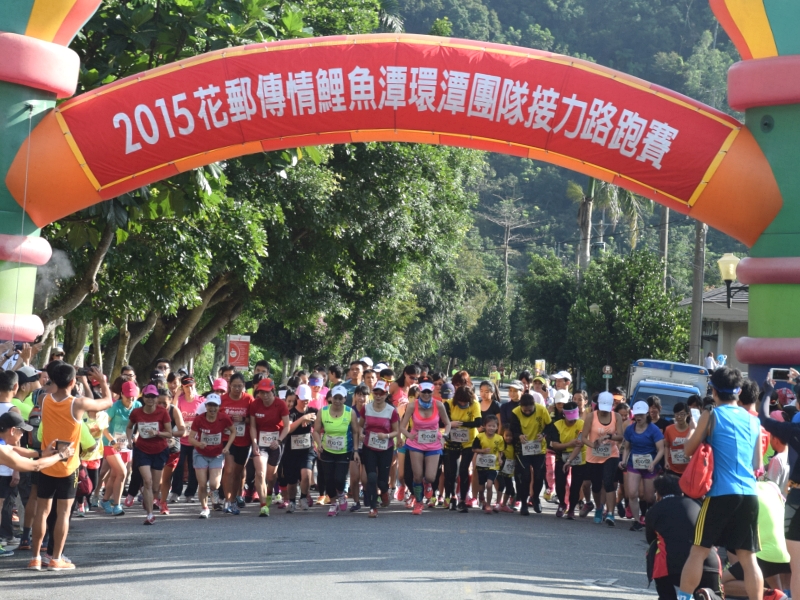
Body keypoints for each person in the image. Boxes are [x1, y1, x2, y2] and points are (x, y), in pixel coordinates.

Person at [677, 366, 763, 600]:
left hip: (721, 493)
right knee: (749, 558)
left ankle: (684, 598)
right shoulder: (753, 421)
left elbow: (687, 450)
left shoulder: (711, 414)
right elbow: (757, 463)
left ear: (713, 390)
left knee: (698, 551)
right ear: (739, 391)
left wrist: (695, 428)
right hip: (750, 494)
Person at [28, 363, 112, 571]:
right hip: (68, 465)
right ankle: (56, 558)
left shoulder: (43, 399)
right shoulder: (78, 403)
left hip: (47, 462)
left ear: (53, 380)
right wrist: (102, 381)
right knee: (63, 513)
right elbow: (107, 402)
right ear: (73, 382)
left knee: (42, 512)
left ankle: (36, 558)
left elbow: (48, 387)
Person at [0, 412, 76, 559]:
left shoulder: (3, 444)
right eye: (21, 431)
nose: (22, 435)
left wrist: (41, 453)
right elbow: (34, 467)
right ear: (12, 430)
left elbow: (14, 450)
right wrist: (60, 456)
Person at [646, 475, 723, 600]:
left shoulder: (654, 510)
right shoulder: (698, 504)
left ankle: (667, 596)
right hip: (708, 562)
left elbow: (650, 540)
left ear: (658, 494)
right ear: (681, 492)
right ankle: (709, 595)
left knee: (655, 548)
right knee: (716, 593)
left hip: (673, 567)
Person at [758, 378, 800, 599]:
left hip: (797, 499)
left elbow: (764, 418)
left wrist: (768, 393)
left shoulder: (795, 430)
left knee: (798, 565)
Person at [722, 480, 792, 600]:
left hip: (767, 554)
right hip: (788, 552)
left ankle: (772, 595)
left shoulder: (738, 492)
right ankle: (780, 595)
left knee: (721, 583)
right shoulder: (771, 487)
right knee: (764, 562)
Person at [400, 381, 450, 515]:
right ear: (419, 392)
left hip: (433, 444)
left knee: (431, 477)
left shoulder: (438, 405)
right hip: (416, 444)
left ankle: (427, 484)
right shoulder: (412, 406)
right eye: (424, 392)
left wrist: (444, 436)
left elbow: (448, 423)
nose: (426, 395)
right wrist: (408, 436)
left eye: (429, 392)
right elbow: (402, 425)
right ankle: (418, 502)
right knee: (417, 477)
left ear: (433, 392)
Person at [126, 384, 173, 525]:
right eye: (148, 396)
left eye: (153, 396)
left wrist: (158, 433)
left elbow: (169, 433)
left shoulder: (162, 412)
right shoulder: (136, 412)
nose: (150, 399)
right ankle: (150, 514)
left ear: (156, 397)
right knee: (147, 480)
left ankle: (148, 499)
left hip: (159, 450)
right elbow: (129, 427)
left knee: (155, 487)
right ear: (143, 397)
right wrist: (130, 440)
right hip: (142, 449)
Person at [312, 386, 360, 516]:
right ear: (331, 398)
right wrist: (318, 443)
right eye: (335, 398)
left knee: (339, 479)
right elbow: (316, 431)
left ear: (345, 399)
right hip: (327, 450)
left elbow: (356, 432)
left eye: (340, 398)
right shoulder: (323, 411)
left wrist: (355, 450)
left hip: (344, 451)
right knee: (328, 479)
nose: (337, 401)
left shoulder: (350, 412)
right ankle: (333, 504)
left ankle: (341, 494)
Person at [581, 391, 624, 524]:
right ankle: (599, 508)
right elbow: (583, 437)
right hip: (594, 455)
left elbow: (621, 436)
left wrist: (609, 436)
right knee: (596, 485)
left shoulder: (616, 416)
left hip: (611, 454)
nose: (604, 412)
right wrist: (593, 445)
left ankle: (610, 513)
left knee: (608, 481)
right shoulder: (590, 417)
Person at [622, 401, 665, 531]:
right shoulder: (630, 429)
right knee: (632, 494)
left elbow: (661, 449)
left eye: (641, 414)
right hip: (634, 464)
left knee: (649, 497)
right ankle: (637, 521)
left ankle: (651, 517)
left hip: (649, 466)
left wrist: (653, 463)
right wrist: (623, 460)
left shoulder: (654, 430)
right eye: (636, 414)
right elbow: (627, 447)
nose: (639, 417)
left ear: (647, 414)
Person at [249, 378, 290, 517]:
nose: (264, 395)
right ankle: (263, 506)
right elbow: (253, 426)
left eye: (267, 392)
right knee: (260, 473)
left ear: (272, 391)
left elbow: (287, 426)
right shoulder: (255, 405)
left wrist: (278, 441)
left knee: (271, 477)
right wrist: (254, 442)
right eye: (261, 392)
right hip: (260, 443)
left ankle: (270, 493)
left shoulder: (280, 404)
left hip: (275, 444)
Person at [189, 393, 234, 518]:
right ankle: (204, 508)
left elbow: (233, 431)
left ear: (219, 407)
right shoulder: (199, 419)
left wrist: (227, 446)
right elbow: (190, 438)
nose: (212, 408)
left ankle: (213, 492)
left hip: (217, 454)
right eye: (210, 405)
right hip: (200, 453)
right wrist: (199, 443)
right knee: (202, 483)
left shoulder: (223, 418)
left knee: (214, 484)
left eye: (215, 406)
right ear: (206, 406)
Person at [360, 380, 400, 518]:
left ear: (386, 394)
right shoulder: (366, 408)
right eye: (375, 392)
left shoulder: (391, 411)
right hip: (369, 447)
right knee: (371, 477)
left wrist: (386, 435)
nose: (378, 396)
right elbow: (360, 425)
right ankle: (372, 507)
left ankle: (384, 491)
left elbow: (396, 431)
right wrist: (360, 434)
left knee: (382, 481)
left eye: (381, 393)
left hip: (386, 448)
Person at [101, 380, 140, 515]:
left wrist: (136, 434)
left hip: (126, 445)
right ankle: (117, 505)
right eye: (128, 396)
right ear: (122, 394)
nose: (131, 398)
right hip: (111, 444)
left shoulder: (138, 405)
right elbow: (103, 426)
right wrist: (112, 441)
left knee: (115, 475)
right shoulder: (115, 407)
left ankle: (105, 500)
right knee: (122, 473)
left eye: (133, 395)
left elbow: (140, 423)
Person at [509, 392, 551, 515]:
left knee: (538, 476)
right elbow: (513, 430)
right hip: (523, 448)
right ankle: (523, 502)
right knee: (525, 476)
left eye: (530, 410)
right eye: (525, 410)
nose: (527, 412)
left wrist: (543, 434)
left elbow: (549, 427)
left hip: (539, 448)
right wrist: (519, 436)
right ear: (521, 406)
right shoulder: (515, 412)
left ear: (534, 405)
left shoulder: (542, 410)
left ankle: (536, 497)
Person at [219, 373, 253, 514]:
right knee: (229, 469)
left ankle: (233, 499)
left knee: (238, 473)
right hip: (227, 440)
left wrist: (243, 418)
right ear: (229, 386)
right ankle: (226, 500)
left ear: (244, 386)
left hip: (243, 440)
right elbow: (216, 416)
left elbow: (254, 420)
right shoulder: (222, 399)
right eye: (234, 386)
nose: (237, 389)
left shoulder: (249, 399)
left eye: (240, 386)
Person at [444, 385, 481, 512]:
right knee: (452, 470)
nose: (462, 404)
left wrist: (461, 424)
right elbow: (441, 421)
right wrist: (450, 424)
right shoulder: (449, 404)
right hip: (452, 441)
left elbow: (478, 422)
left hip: (469, 441)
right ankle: (452, 497)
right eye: (460, 402)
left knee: (464, 469)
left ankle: (463, 499)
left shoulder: (475, 404)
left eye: (465, 402)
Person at [169, 375, 204, 503]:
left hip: (195, 440)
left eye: (191, 385)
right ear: (182, 387)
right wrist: (177, 396)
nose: (189, 389)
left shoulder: (201, 400)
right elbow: (172, 413)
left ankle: (190, 493)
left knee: (193, 467)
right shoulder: (179, 400)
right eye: (186, 386)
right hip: (181, 440)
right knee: (177, 466)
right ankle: (175, 492)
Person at [551, 401, 588, 520]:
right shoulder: (557, 425)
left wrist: (571, 458)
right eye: (570, 418)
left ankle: (572, 508)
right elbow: (555, 445)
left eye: (574, 418)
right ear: (563, 415)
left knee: (576, 485)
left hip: (579, 456)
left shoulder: (582, 424)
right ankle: (562, 503)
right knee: (560, 482)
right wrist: (569, 444)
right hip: (562, 455)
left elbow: (580, 443)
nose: (573, 421)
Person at [283, 387, 316, 512]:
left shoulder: (313, 411)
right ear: (297, 398)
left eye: (307, 399)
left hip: (307, 450)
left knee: (306, 474)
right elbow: (288, 428)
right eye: (302, 399)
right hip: (291, 452)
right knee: (291, 481)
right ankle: (291, 501)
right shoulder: (290, 413)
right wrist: (302, 419)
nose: (305, 402)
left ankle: (303, 497)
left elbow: (319, 426)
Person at [471, 414, 503, 514]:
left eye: (494, 426)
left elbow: (500, 450)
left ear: (497, 427)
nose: (491, 428)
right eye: (489, 425)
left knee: (489, 485)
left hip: (494, 465)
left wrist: (500, 458)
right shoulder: (480, 437)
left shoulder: (499, 438)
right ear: (485, 426)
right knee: (481, 486)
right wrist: (482, 450)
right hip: (481, 464)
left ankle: (488, 504)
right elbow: (474, 449)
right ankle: (481, 496)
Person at [664, 402, 694, 477]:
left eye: (682, 414)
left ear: (688, 414)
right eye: (677, 414)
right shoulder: (668, 429)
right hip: (672, 469)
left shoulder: (692, 430)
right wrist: (666, 461)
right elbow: (666, 446)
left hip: (688, 469)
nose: (679, 417)